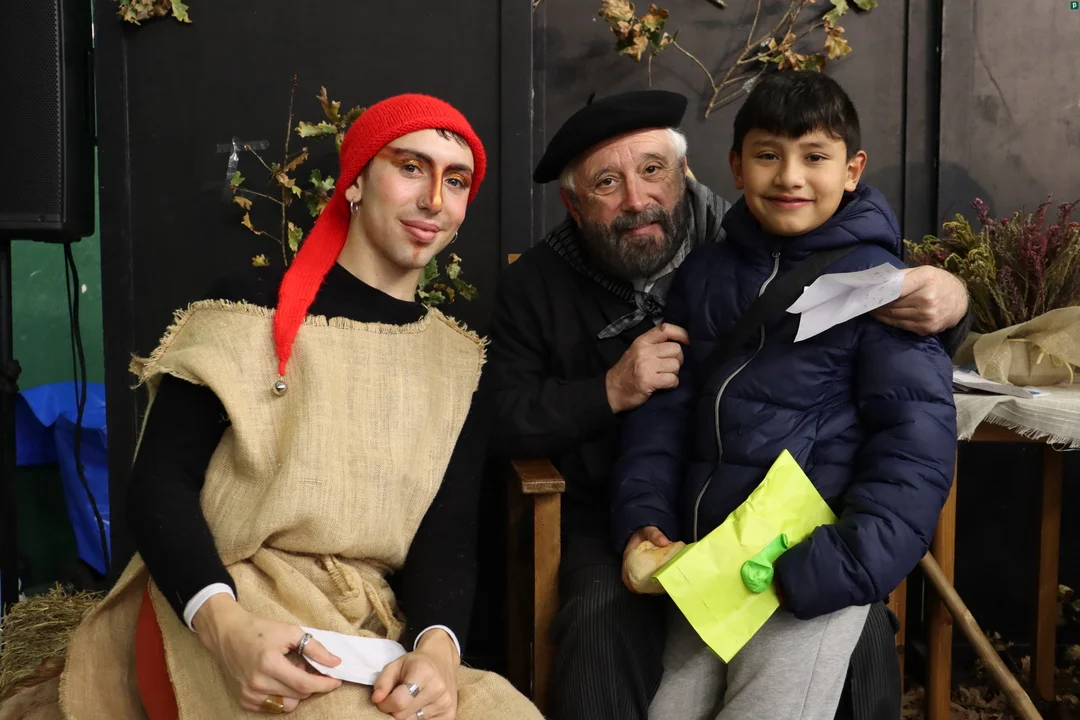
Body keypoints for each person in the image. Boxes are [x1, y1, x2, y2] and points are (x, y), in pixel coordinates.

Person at [12, 94, 541, 720]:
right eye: (410, 167)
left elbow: (446, 537)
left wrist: (438, 652)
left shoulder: (458, 362)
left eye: (455, 181)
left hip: (365, 624)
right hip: (225, 601)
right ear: (355, 182)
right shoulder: (248, 311)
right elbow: (159, 487)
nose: (434, 199)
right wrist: (226, 629)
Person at [486, 89, 970, 720]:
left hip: (794, 539)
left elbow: (909, 414)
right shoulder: (541, 285)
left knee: (855, 641)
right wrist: (610, 397)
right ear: (573, 206)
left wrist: (952, 297)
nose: (637, 199)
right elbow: (510, 417)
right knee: (611, 630)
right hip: (633, 518)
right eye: (607, 182)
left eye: (653, 170)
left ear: (686, 173)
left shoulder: (740, 230)